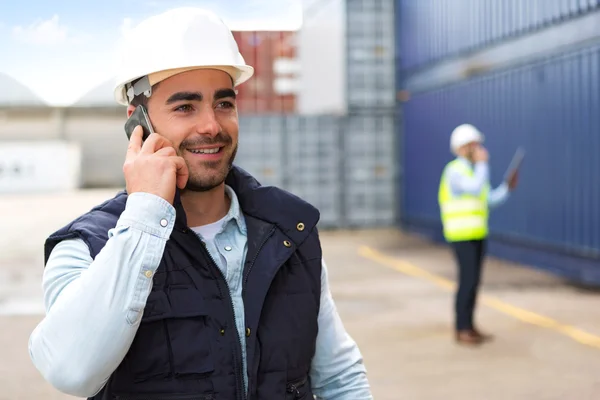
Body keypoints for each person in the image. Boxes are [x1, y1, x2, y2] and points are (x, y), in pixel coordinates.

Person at [28, 8, 373, 400]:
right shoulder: (87, 247)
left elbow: (338, 380)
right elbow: (70, 371)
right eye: (184, 107)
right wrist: (145, 215)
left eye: (224, 104)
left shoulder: (288, 234)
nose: (211, 125)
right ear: (137, 122)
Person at [438, 124, 518, 346]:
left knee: (474, 282)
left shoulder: (475, 171)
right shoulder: (454, 170)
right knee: (467, 281)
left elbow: (487, 200)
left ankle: (470, 326)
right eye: (475, 144)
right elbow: (473, 188)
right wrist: (483, 164)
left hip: (478, 234)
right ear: (464, 147)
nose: (480, 148)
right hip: (461, 235)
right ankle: (461, 328)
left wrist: (506, 189)